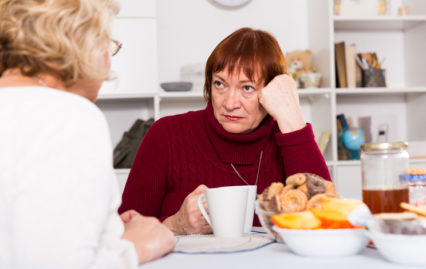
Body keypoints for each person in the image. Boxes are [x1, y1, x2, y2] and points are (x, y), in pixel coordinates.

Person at [0, 0, 174, 268]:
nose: (107, 63)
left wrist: (103, 230)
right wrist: (135, 247)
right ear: (80, 44)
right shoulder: (69, 115)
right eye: (107, 43)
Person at [119, 27, 331, 235]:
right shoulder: (165, 134)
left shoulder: (288, 136)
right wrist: (176, 225)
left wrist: (292, 119)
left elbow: (325, 221)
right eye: (220, 84)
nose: (229, 103)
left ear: (270, 91)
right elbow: (124, 234)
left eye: (247, 88)